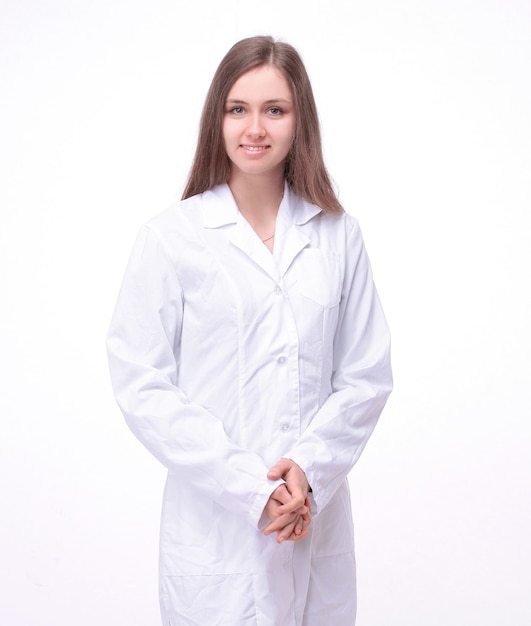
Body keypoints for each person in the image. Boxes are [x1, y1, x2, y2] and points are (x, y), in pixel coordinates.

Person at [107, 35, 392, 625]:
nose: (254, 127)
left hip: (313, 520)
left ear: (299, 121)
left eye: (275, 110)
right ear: (218, 118)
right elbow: (142, 385)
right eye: (238, 109)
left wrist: (307, 472)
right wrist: (251, 488)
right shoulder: (172, 238)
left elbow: (366, 375)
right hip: (215, 534)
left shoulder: (338, 235)